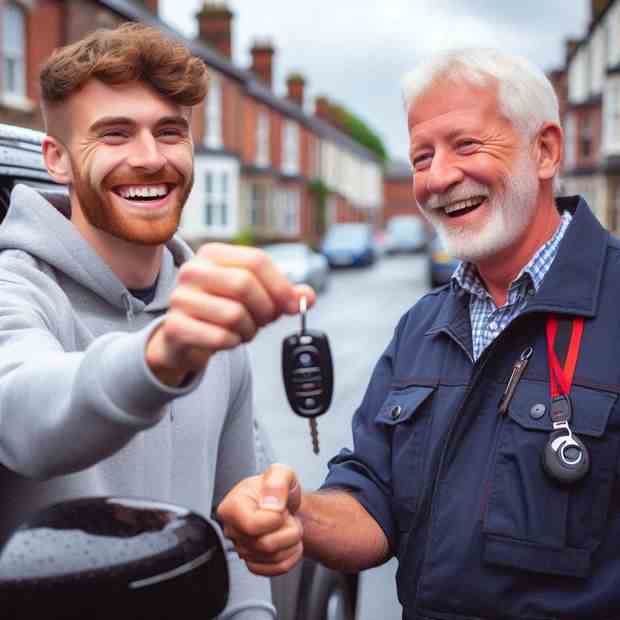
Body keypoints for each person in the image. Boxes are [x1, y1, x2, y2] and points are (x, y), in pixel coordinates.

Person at [217, 47, 620, 619]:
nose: (438, 178)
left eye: (466, 145)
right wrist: (295, 514)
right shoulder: (422, 326)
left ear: (546, 149)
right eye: (421, 156)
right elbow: (373, 501)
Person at [0, 23, 314, 619]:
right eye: (114, 134)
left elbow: (235, 528)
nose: (150, 158)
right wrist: (163, 354)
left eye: (170, 132)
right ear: (57, 159)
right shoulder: (15, 289)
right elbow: (24, 414)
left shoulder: (205, 317)